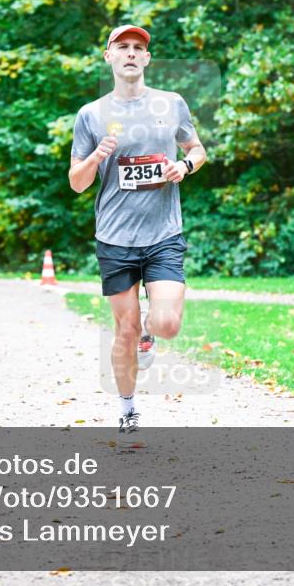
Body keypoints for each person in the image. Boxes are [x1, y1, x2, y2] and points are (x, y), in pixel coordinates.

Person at [68, 25, 207, 434]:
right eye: (122, 47)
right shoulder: (91, 115)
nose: (130, 53)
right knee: (123, 329)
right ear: (108, 56)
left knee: (166, 324)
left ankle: (152, 331)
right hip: (114, 238)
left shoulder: (171, 103)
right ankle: (128, 409)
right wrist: (96, 156)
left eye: (138, 48)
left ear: (147, 59)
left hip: (163, 233)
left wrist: (184, 166)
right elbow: (77, 182)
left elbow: (197, 150)